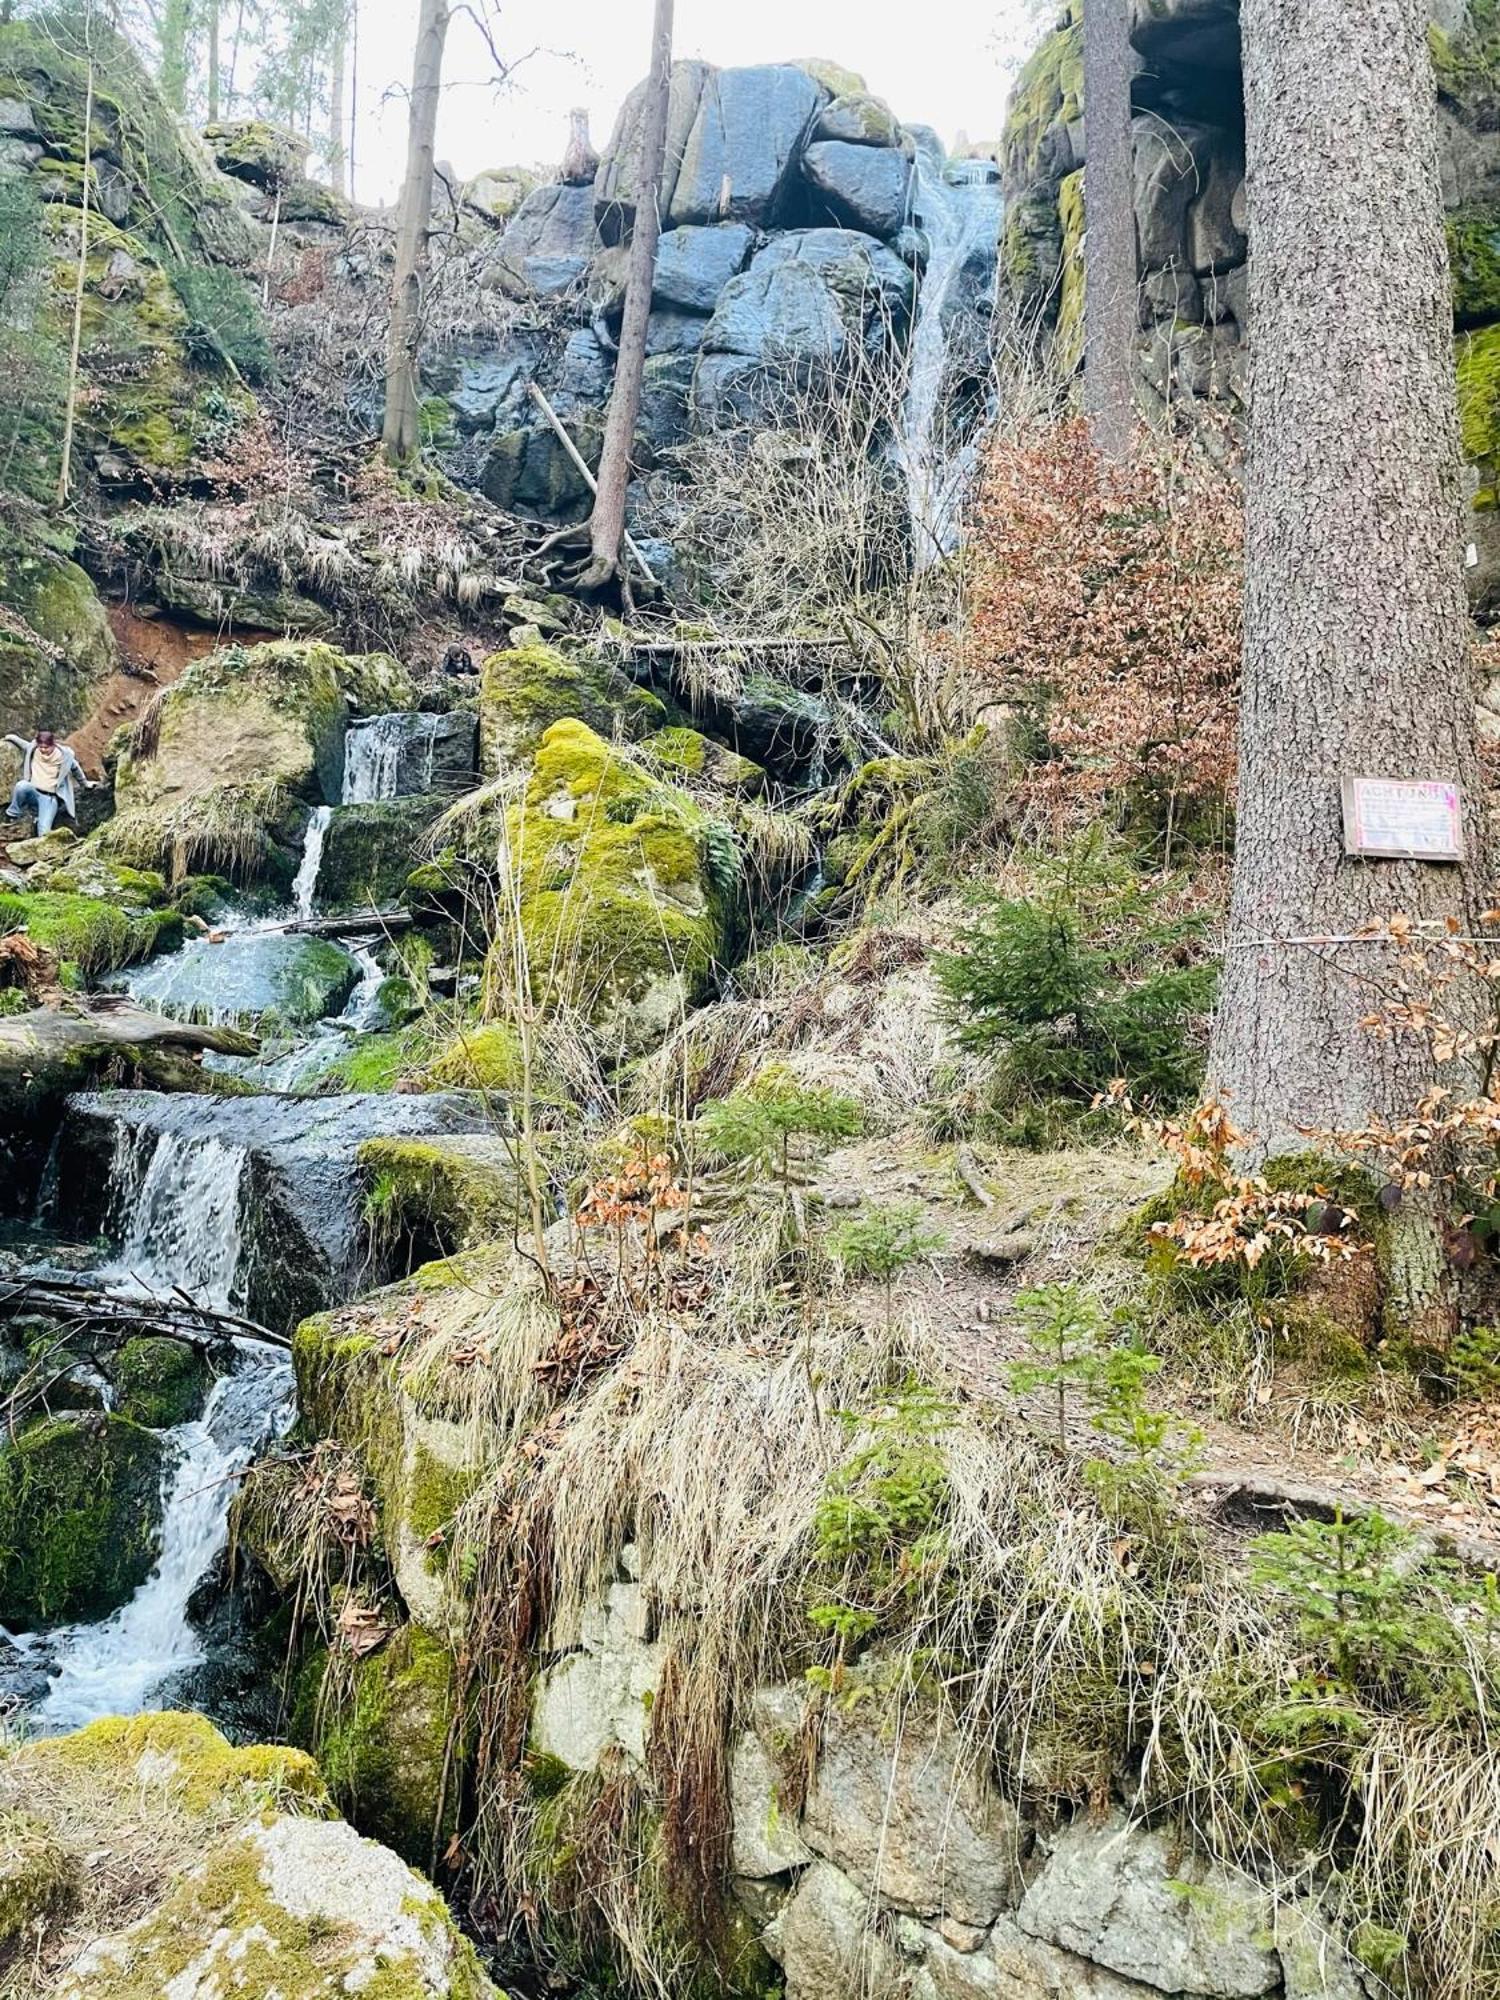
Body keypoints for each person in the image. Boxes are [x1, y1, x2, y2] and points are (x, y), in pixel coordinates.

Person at [4, 727, 95, 838]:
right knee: (21, 786)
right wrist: (11, 737)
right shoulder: (34, 749)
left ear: (53, 745)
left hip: (49, 799)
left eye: (46, 747)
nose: (43, 750)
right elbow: (23, 744)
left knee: (44, 833)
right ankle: (13, 815)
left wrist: (85, 784)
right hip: (33, 791)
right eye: (40, 747)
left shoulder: (64, 756)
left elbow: (76, 769)